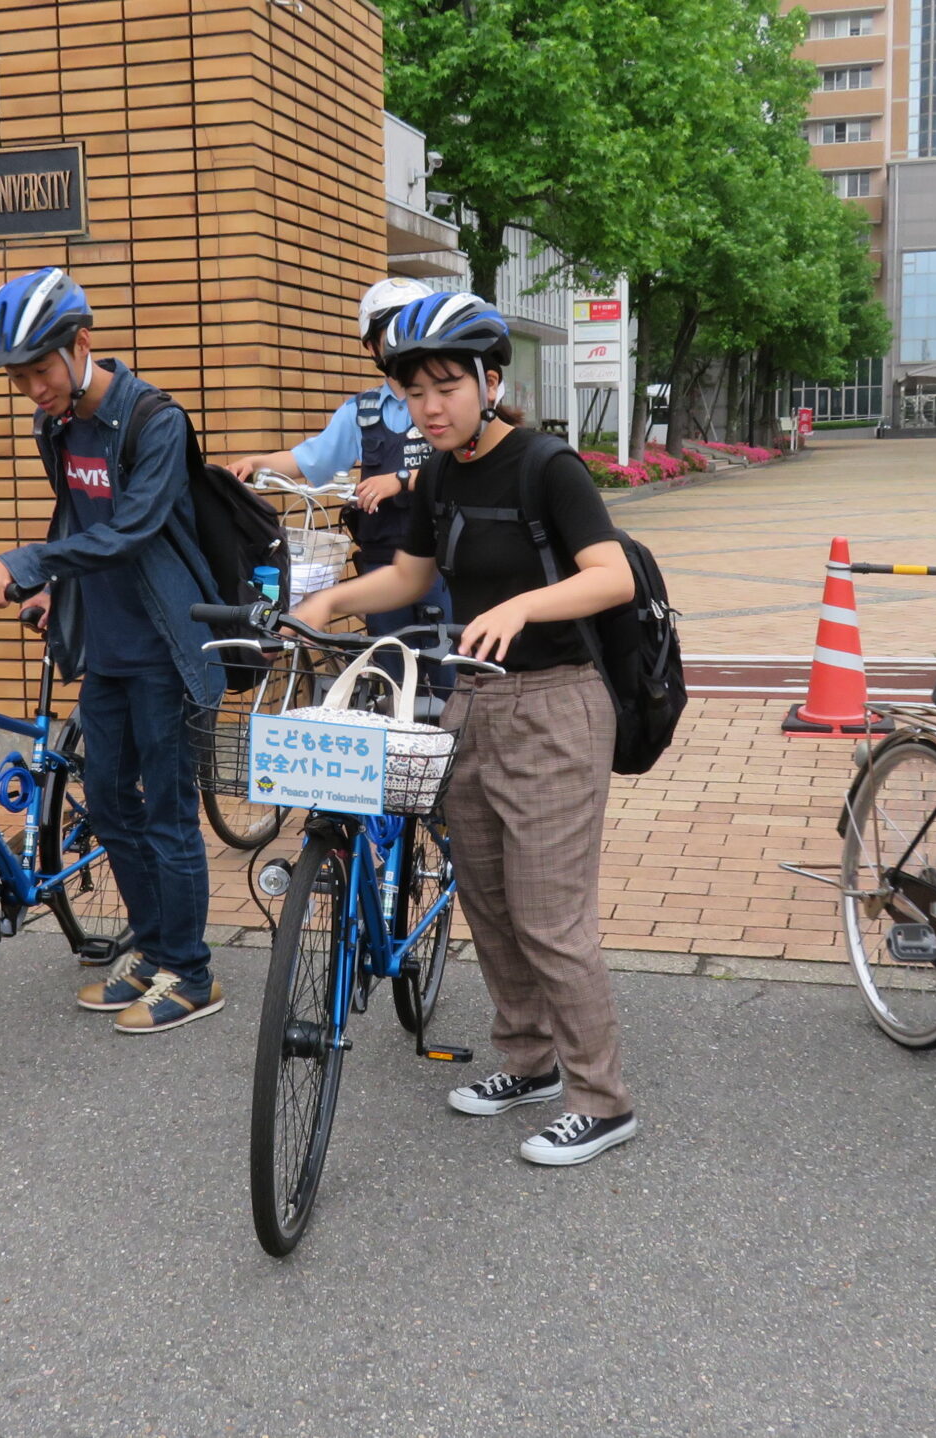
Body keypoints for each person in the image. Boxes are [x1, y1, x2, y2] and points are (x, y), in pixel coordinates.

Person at [286, 292, 642, 1167]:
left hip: (558, 702)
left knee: (549, 914)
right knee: (485, 897)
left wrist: (523, 605)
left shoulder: (546, 465)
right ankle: (529, 1061)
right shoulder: (440, 475)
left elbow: (612, 576)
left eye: (447, 386)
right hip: (472, 700)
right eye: (414, 393)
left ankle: (602, 1100)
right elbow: (411, 576)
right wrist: (329, 601)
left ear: (491, 381)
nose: (430, 407)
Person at [0, 266, 226, 1036]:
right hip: (106, 644)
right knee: (110, 803)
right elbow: (76, 518)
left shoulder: (155, 420)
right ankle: (152, 950)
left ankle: (192, 972)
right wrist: (54, 585)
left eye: (39, 371)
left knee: (169, 813)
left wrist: (28, 564)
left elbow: (133, 529)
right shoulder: (56, 425)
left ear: (82, 344)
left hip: (167, 644)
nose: (31, 390)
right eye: (17, 379)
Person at [230, 277, 451, 652]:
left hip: (442, 563)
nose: (402, 344)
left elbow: (464, 467)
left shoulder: (447, 402)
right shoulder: (360, 411)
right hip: (381, 565)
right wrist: (255, 463)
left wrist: (401, 479)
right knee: (386, 663)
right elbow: (310, 458)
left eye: (411, 330)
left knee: (449, 668)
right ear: (371, 346)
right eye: (391, 332)